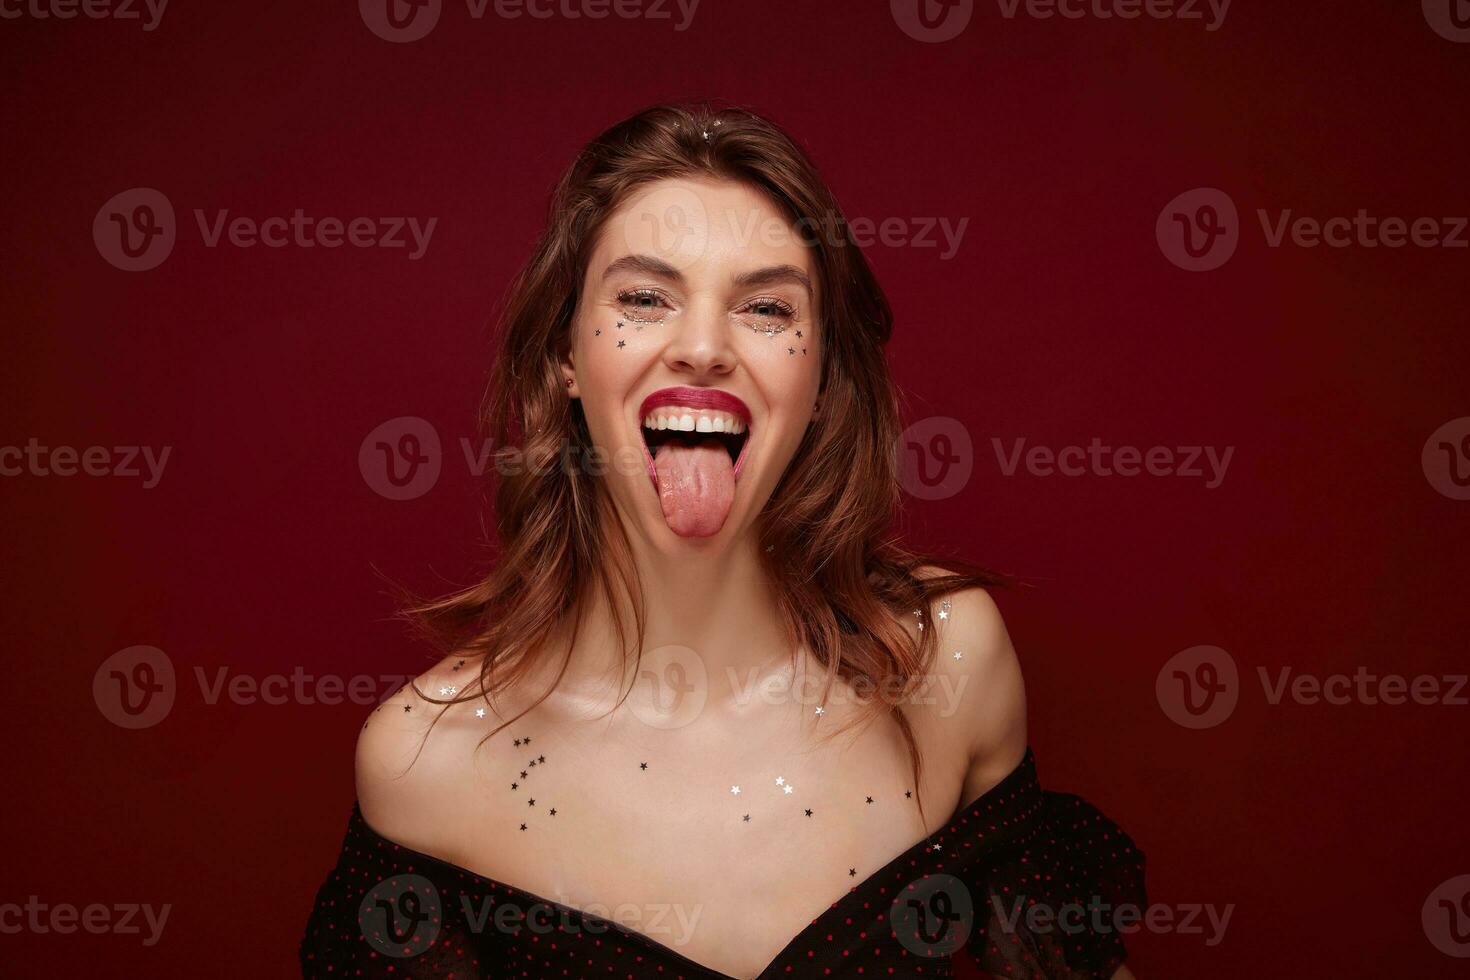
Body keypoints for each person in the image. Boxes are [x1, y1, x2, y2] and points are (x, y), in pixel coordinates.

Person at [300, 102, 1146, 979]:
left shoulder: (946, 662)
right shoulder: (426, 759)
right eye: (642, 298)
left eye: (767, 308)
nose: (703, 347)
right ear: (564, 356)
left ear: (820, 379)